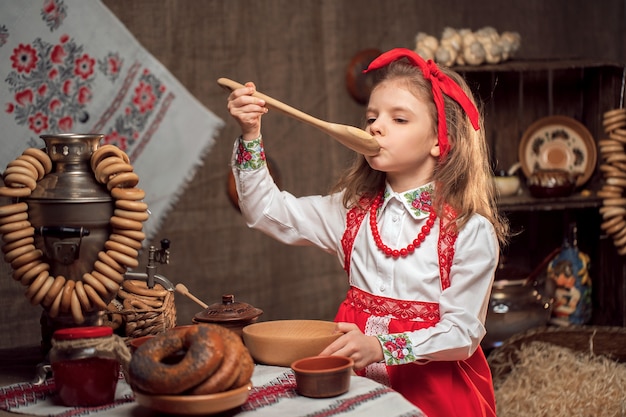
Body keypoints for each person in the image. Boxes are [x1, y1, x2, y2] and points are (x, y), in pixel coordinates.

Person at [227, 48, 509, 417]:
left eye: (399, 119)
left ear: (440, 140)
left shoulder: (468, 230)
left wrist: (382, 346)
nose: (375, 126)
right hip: (356, 384)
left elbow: (462, 333)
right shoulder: (350, 212)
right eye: (372, 117)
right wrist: (251, 134)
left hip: (437, 396)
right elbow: (266, 211)